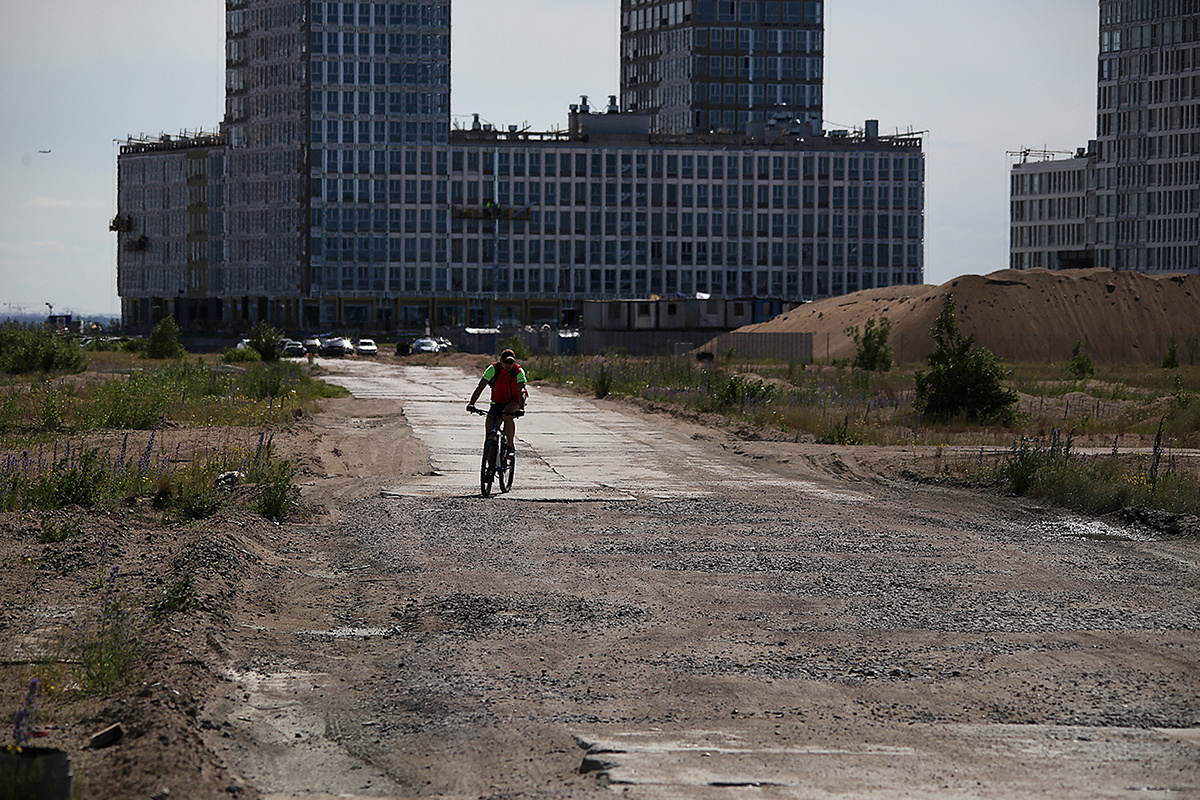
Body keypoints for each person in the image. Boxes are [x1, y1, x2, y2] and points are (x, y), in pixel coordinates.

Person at [467, 349, 527, 448]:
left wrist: (521, 407)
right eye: (505, 362)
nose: (508, 365)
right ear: (500, 360)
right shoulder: (493, 369)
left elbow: (521, 390)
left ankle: (510, 447)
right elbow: (480, 387)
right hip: (497, 403)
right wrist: (471, 403)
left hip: (514, 402)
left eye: (511, 362)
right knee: (490, 434)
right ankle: (490, 460)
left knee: (507, 416)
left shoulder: (518, 371)